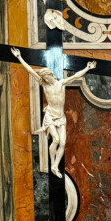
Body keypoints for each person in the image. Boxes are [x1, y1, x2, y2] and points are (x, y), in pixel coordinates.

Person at [11, 47, 96, 178]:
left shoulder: (61, 83)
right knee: (55, 139)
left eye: (47, 77)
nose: (46, 79)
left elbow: (75, 76)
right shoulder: (45, 85)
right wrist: (19, 57)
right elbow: (30, 71)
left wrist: (87, 68)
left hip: (60, 116)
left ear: (51, 75)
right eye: (44, 78)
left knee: (62, 142)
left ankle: (55, 165)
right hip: (50, 116)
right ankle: (53, 164)